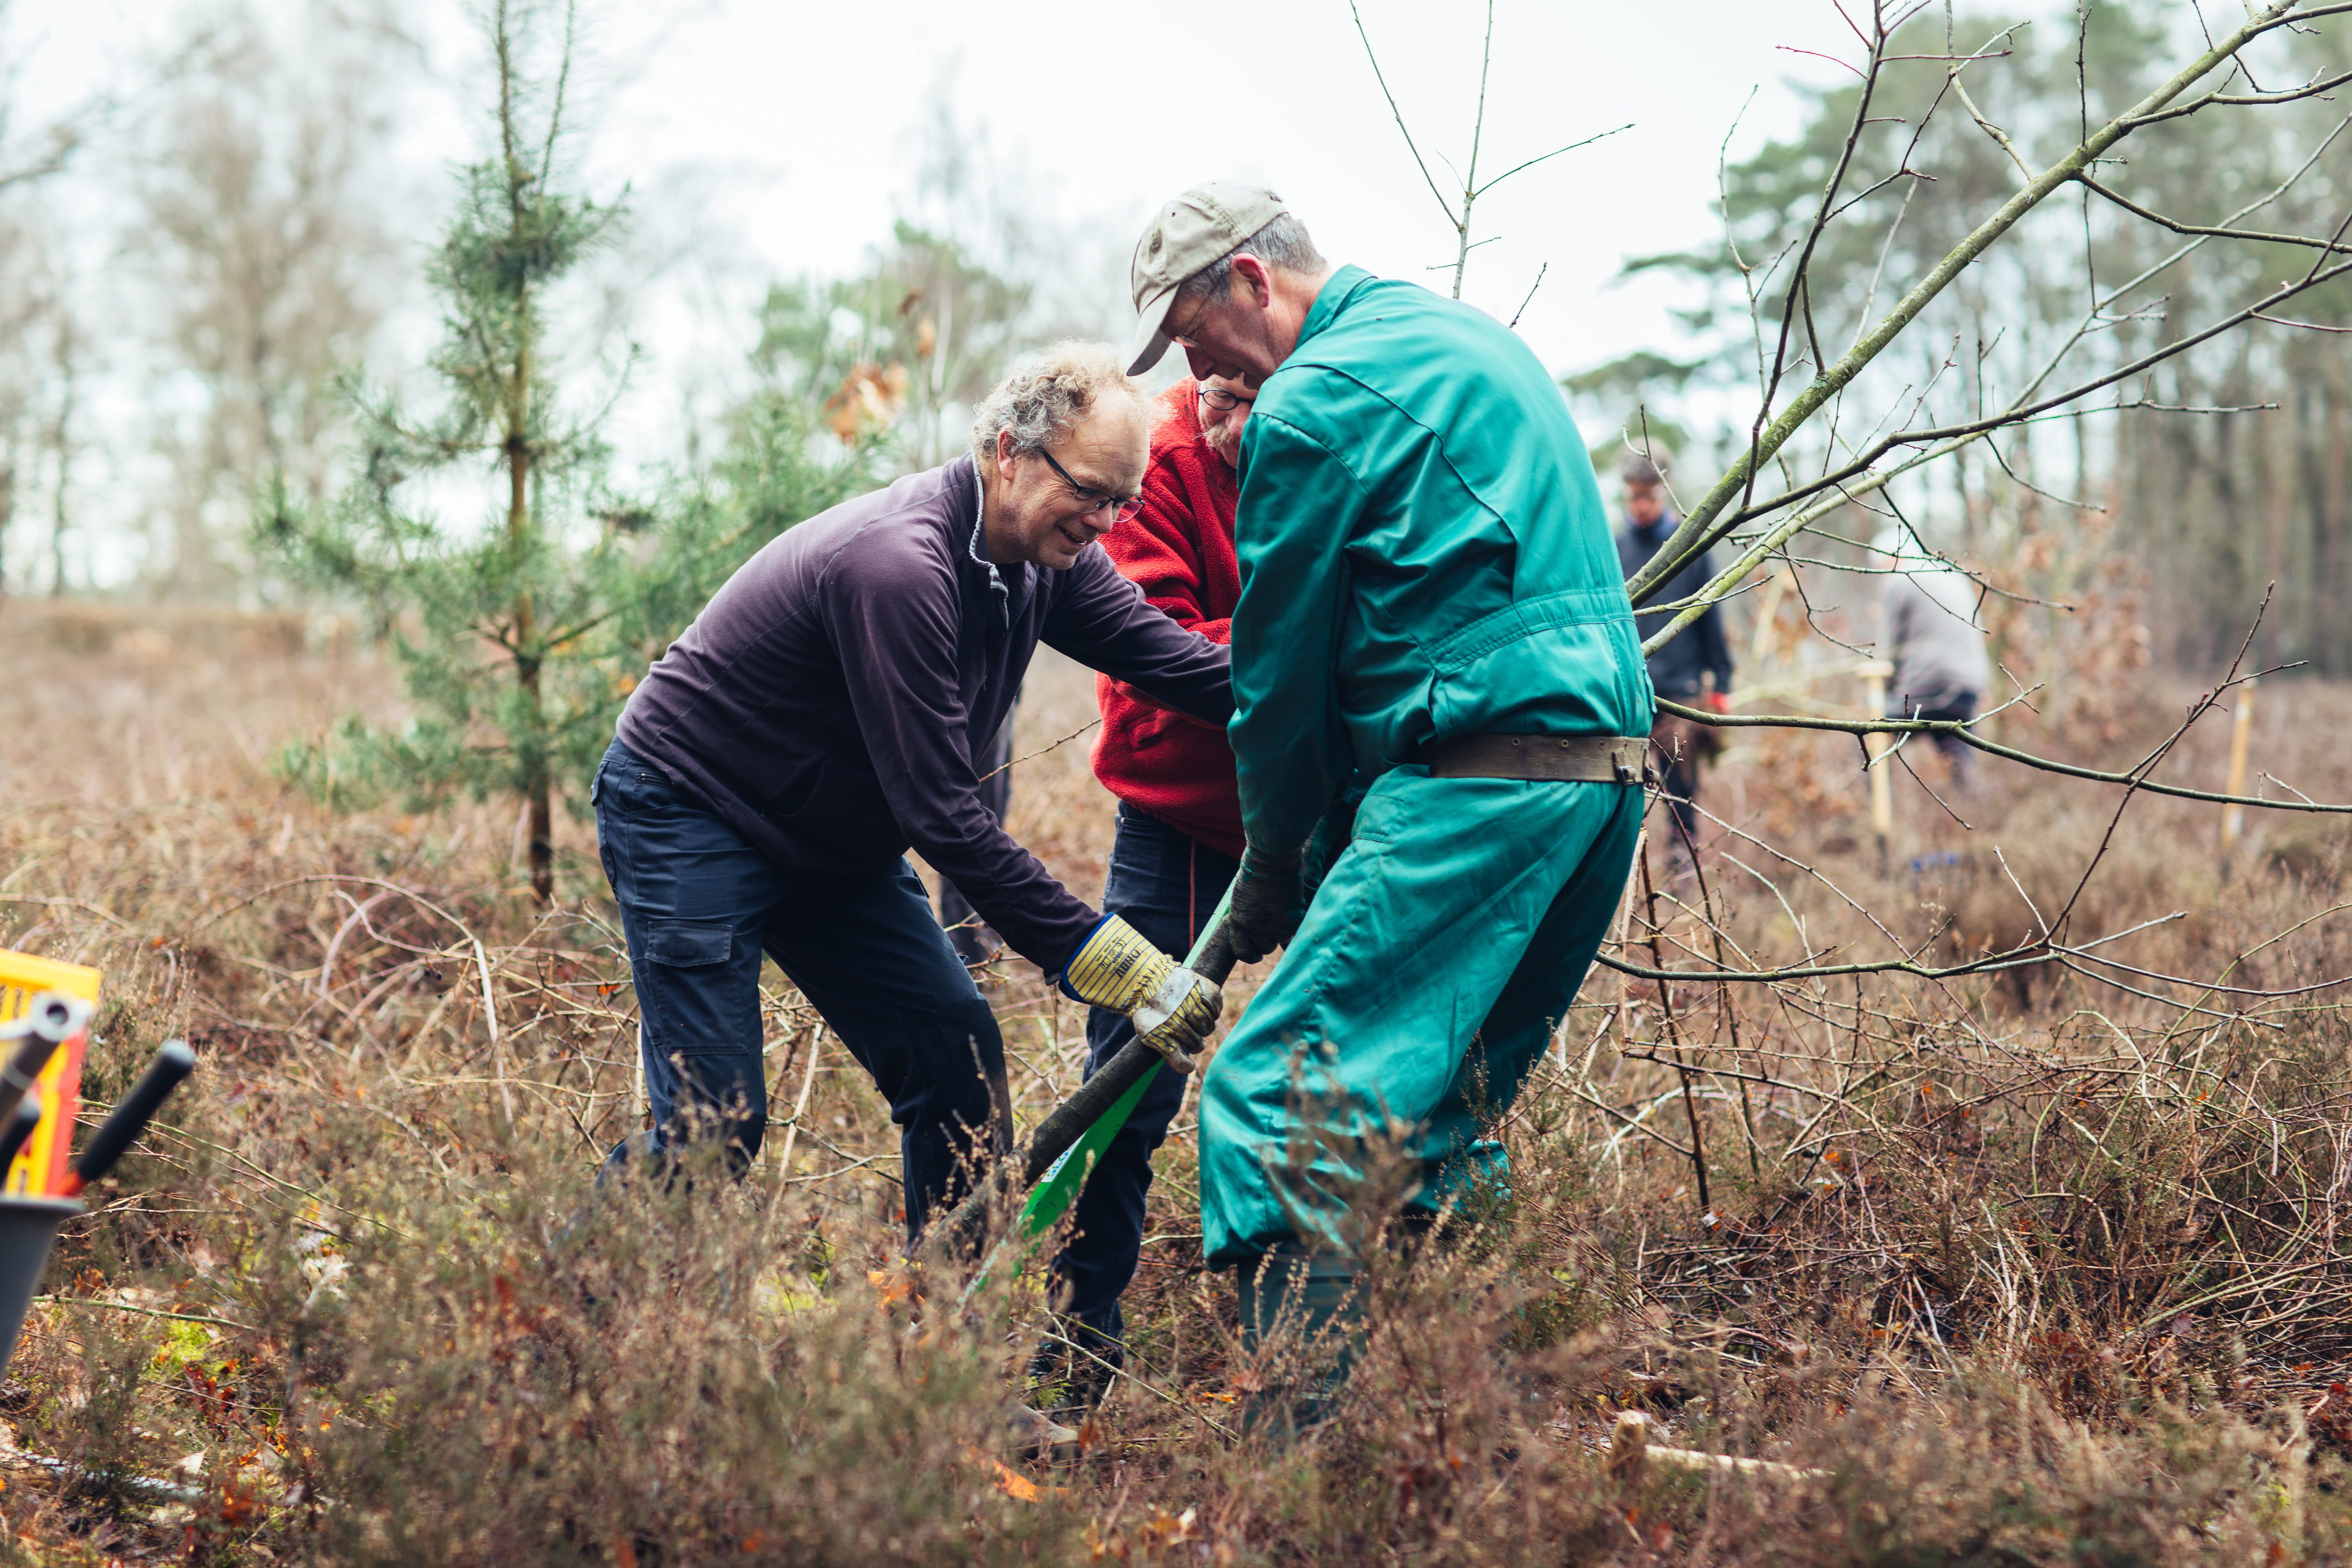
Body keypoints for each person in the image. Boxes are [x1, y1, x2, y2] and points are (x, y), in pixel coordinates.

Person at [1124, 182, 1653, 1416]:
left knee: (1277, 1095)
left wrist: (1270, 870)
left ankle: (1289, 1483)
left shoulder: (1308, 403)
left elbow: (1280, 673)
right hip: (1602, 779)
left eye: (1195, 327)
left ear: (1255, 280)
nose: (1192, 360)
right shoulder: (1470, 338)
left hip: (1480, 777)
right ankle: (1469, 1434)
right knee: (1434, 1124)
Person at [593, 342, 1232, 1245]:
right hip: (691, 811)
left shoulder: (1048, 561)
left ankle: (944, 1363)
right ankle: (551, 1324)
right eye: (1090, 491)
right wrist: (1112, 962)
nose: (1105, 520)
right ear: (1009, 450)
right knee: (714, 1127)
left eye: (1122, 500)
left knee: (959, 1068)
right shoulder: (898, 566)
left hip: (831, 844)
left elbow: (1179, 662)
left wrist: (1344, 689)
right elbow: (943, 816)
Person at [1030, 371, 1255, 1414]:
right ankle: (1078, 1336)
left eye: (1257, 391)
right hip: (1182, 812)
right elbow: (1151, 648)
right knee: (1129, 1072)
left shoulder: (1355, 446)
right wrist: (1317, 650)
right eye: (1218, 390)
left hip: (1337, 806)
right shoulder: (1155, 465)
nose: (1230, 417)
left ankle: (1328, 1325)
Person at [1614, 452, 1733, 878]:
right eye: (1634, 496)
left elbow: (1710, 620)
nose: (1641, 504)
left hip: (1679, 695)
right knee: (1621, 789)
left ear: (1663, 491)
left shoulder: (1690, 549)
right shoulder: (1615, 549)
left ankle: (1684, 871)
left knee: (1682, 792)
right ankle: (1625, 872)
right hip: (1626, 695)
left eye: (1649, 495)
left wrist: (1721, 683)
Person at [1875, 525, 1991, 789]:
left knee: (1871, 738)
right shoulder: (1950, 573)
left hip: (1931, 682)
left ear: (1890, 558)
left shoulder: (1900, 579)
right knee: (1957, 751)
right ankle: (1980, 817)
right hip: (1969, 682)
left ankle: (1868, 817)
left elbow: (1889, 650)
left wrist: (1886, 694)